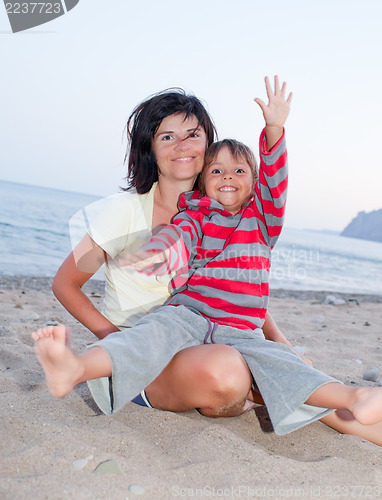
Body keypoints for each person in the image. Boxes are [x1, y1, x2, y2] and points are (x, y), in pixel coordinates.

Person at [33, 79, 382, 441]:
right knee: (236, 371)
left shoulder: (223, 214)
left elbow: (233, 284)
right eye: (167, 136)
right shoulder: (126, 213)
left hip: (215, 343)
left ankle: (362, 414)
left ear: (207, 144)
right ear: (150, 148)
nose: (182, 145)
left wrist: (280, 340)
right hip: (148, 354)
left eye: (192, 134)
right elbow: (66, 283)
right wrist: (116, 338)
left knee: (275, 369)